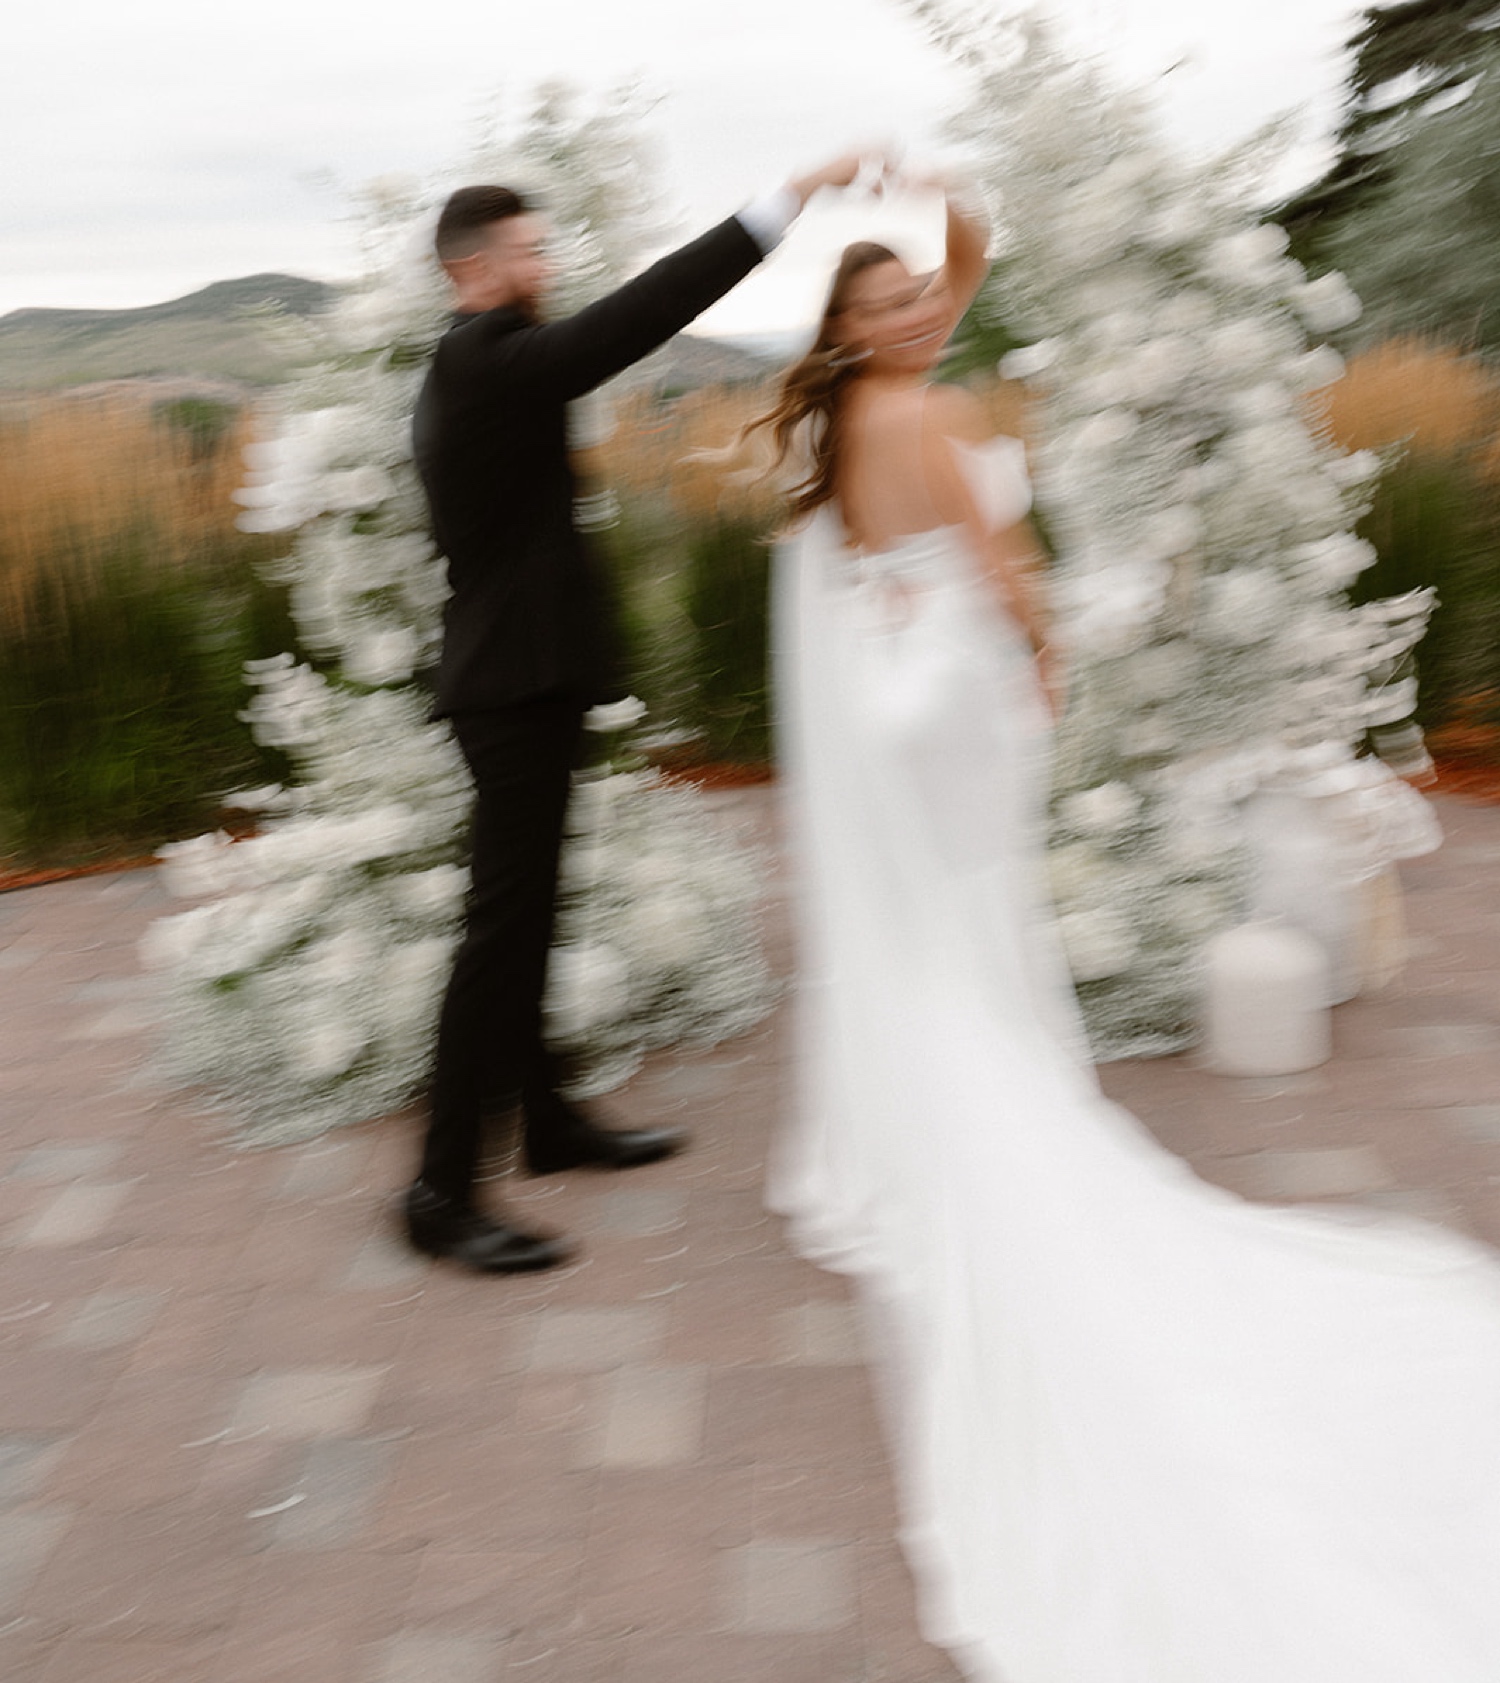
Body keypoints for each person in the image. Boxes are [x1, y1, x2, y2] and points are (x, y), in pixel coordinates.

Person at [761, 171, 1500, 1683]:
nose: (918, 310)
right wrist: (1041, 655)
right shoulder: (924, 408)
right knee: (978, 906)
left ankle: (934, 1082)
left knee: (937, 928)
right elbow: (995, 555)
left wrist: (933, 212)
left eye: (917, 296)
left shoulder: (844, 408)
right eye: (886, 300)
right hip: (961, 678)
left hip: (887, 686)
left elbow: (953, 272)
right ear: (849, 323)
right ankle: (995, 1088)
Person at [403, 148, 875, 1274]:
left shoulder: (489, 360)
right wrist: (782, 207)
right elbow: (637, 316)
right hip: (509, 691)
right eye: (526, 251)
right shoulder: (489, 358)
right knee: (500, 937)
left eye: (541, 245)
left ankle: (551, 1119)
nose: (543, 262)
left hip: (530, 681)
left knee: (532, 916)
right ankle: (438, 1190)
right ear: (472, 272)